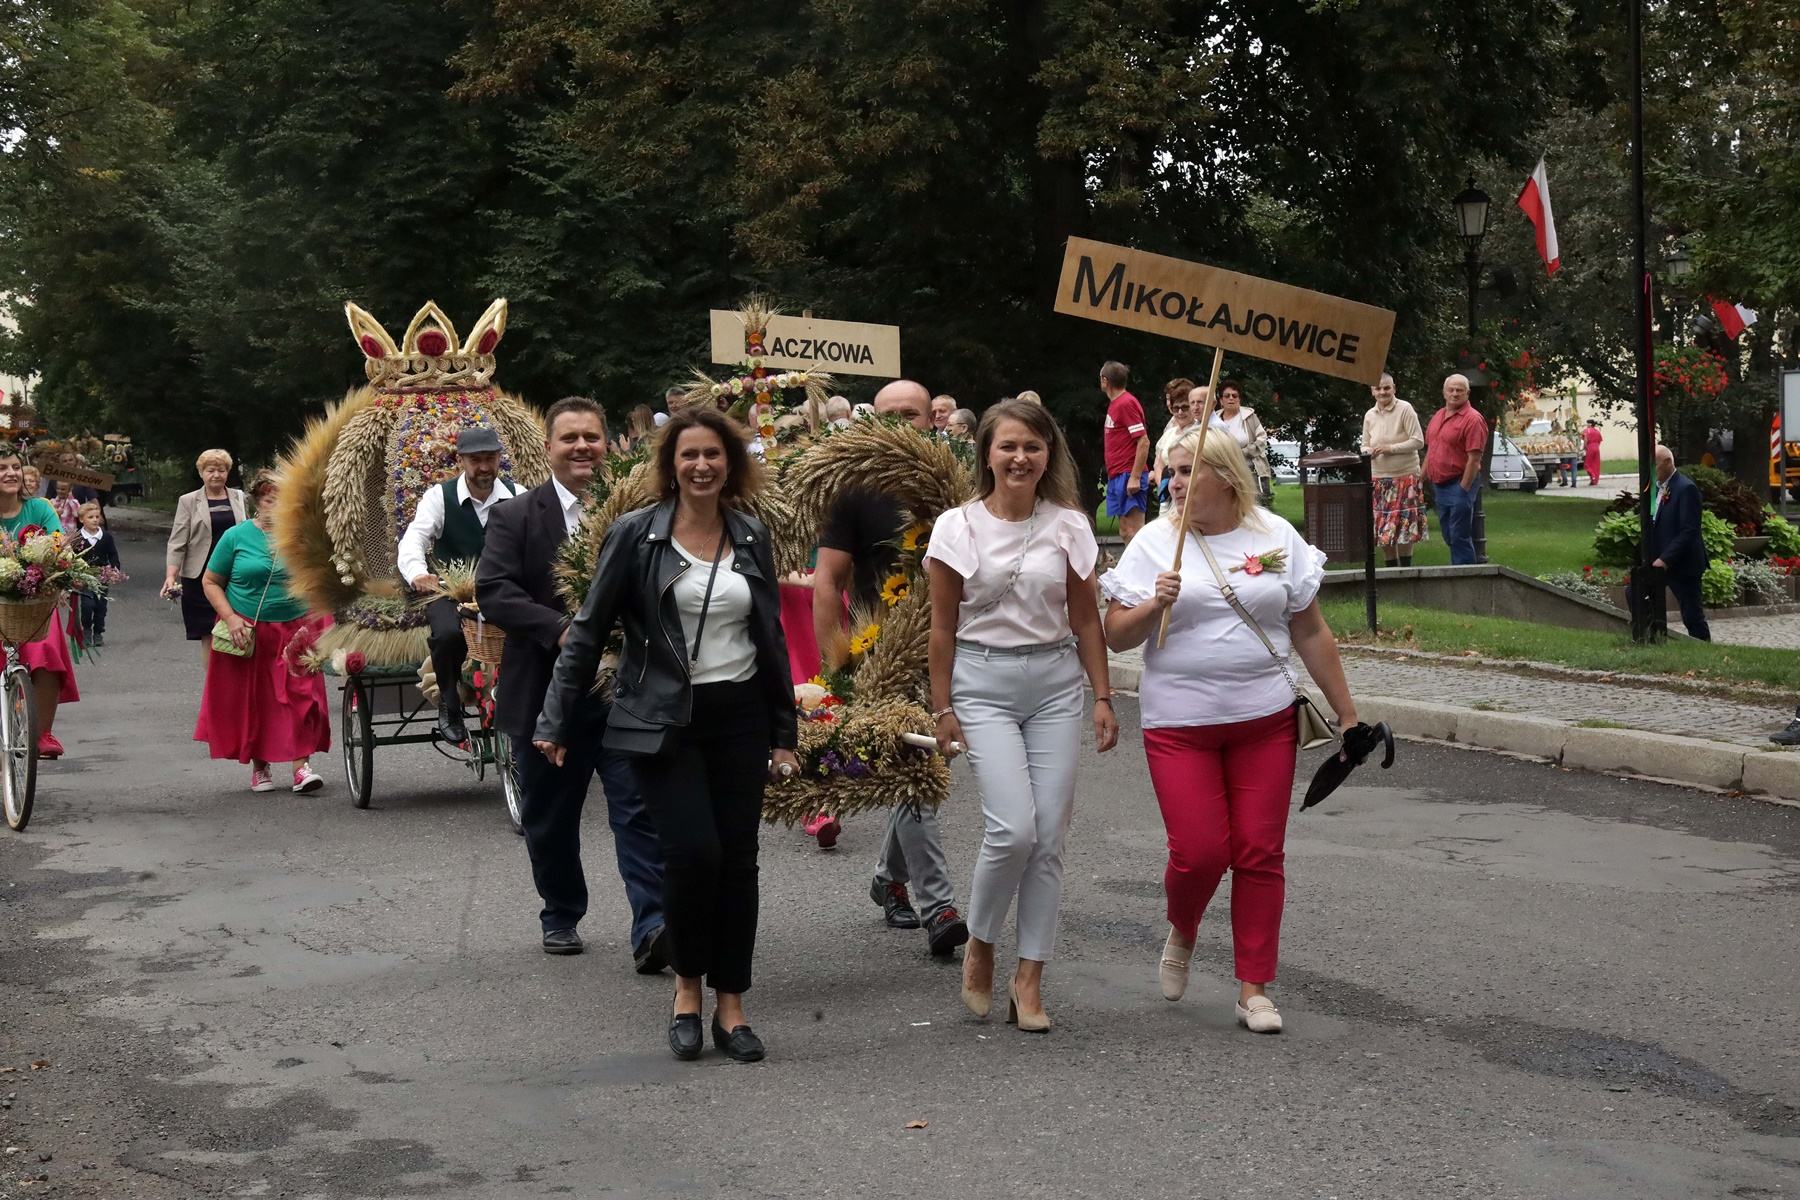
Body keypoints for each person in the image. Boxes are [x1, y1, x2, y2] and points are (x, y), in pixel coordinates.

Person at [536, 406, 798, 1063]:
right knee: (692, 855)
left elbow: (770, 637)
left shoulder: (752, 536)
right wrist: (556, 718)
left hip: (737, 717)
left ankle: (731, 1006)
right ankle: (686, 991)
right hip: (660, 720)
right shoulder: (636, 535)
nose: (702, 465)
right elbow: (590, 629)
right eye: (690, 456)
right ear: (671, 466)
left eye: (714, 455)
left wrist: (782, 732)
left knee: (738, 861)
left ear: (730, 465)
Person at [1100, 428, 1358, 1035]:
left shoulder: (1275, 536)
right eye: (1172, 470)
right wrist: (1150, 606)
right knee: (1199, 854)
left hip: (1264, 720)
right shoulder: (1154, 545)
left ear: (1225, 475)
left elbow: (1311, 631)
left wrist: (1347, 714)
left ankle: (1253, 989)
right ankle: (1184, 927)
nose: (1175, 482)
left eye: (1188, 470)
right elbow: (1115, 634)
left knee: (1260, 853)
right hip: (1179, 724)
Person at [925, 400, 1118, 1032]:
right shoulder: (957, 527)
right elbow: (942, 627)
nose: (1020, 458)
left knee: (1049, 840)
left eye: (1033, 447)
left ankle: (1029, 978)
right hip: (981, 685)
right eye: (1008, 446)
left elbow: (1086, 617)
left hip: (1055, 686)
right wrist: (943, 705)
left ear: (1048, 456)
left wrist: (1103, 697)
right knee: (1014, 829)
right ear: (987, 453)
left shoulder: (1069, 524)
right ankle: (980, 942)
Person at [474, 397, 666, 967]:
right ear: (549, 448)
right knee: (549, 817)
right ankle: (560, 911)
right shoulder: (515, 516)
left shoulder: (641, 512)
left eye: (592, 437)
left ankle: (652, 924)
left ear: (608, 445)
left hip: (627, 694)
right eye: (570, 438)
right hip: (545, 694)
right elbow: (495, 591)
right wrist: (565, 632)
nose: (582, 447)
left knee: (638, 808)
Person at [813, 379, 969, 958]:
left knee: (927, 767)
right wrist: (838, 666)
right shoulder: (856, 491)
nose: (902, 422)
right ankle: (939, 905)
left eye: (913, 413)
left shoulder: (957, 487)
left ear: (934, 418)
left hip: (957, 649)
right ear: (872, 423)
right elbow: (828, 581)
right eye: (890, 415)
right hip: (887, 653)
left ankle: (887, 876)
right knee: (915, 763)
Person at [194, 470, 329, 793]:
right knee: (254, 700)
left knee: (301, 696)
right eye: (271, 500)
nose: (278, 507)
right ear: (259, 502)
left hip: (295, 629)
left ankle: (301, 767)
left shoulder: (301, 536)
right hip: (248, 632)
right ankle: (260, 767)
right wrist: (229, 617)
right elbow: (210, 582)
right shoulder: (236, 537)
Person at [397, 426, 521, 743]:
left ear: (498, 459)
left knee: (534, 631)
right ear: (461, 461)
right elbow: (413, 539)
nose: (483, 467)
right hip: (452, 592)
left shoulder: (517, 495)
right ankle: (450, 707)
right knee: (449, 634)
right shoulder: (440, 497)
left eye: (489, 459)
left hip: (504, 590)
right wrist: (417, 573)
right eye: (475, 459)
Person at [0, 444, 80, 758]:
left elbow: (59, 547)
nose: (11, 473)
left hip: (32, 601)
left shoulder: (40, 508)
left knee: (46, 647)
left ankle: (42, 732)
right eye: (3, 468)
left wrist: (58, 568)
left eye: (15, 467)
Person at [164, 450, 247, 664]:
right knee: (210, 633)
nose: (216, 475)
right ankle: (214, 688)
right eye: (210, 470)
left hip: (234, 573)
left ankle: (236, 686)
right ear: (201, 473)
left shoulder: (239, 497)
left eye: (221, 470)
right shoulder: (188, 501)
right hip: (200, 576)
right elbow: (177, 541)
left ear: (228, 472)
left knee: (239, 629)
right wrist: (171, 576)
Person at [1359, 372, 1427, 567]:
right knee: (1384, 526)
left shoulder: (1405, 409)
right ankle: (1391, 569)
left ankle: (1406, 569)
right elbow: (1364, 443)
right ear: (1372, 391)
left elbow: (1418, 441)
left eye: (1386, 388)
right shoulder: (1369, 415)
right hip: (1379, 477)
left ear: (1394, 388)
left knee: (1406, 525)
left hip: (1405, 476)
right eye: (1378, 388)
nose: (1383, 392)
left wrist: (1391, 449)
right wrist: (1368, 451)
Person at [1424, 374, 1486, 566]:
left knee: (1459, 533)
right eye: (1451, 389)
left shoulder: (1473, 419)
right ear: (1444, 392)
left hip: (1459, 482)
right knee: (1449, 533)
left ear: (1467, 393)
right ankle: (1466, 568)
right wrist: (1420, 478)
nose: (1455, 393)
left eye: (1459, 390)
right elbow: (1431, 450)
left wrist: (1463, 489)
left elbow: (1474, 459)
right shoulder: (1438, 416)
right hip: (1439, 484)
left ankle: (1465, 576)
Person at [1651, 444, 1710, 641]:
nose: (1652, 470)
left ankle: (1704, 649)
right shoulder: (1658, 488)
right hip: (1660, 560)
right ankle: (1652, 637)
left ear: (1667, 462)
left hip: (1683, 563)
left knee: (1692, 615)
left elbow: (1689, 530)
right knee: (1635, 593)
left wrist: (1666, 559)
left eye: (1655, 465)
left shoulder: (1686, 489)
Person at [1100, 361, 1151, 543]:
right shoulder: (1115, 404)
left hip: (1129, 474)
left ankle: (1143, 571)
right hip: (1117, 475)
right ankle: (1131, 571)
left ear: (1105, 380)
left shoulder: (1126, 403)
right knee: (1124, 531)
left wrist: (1135, 476)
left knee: (1134, 532)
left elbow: (1143, 441)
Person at [1210, 379, 1274, 506]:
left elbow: (1262, 438)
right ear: (1221, 400)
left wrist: (1243, 452)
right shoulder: (1214, 420)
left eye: (1235, 396)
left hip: (1249, 471)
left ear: (1239, 399)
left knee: (1253, 508)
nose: (1231, 399)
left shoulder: (1249, 416)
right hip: (1223, 472)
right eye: (1227, 396)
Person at [74, 502, 120, 647]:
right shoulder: (76, 538)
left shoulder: (106, 537)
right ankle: (86, 629)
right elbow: (70, 558)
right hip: (84, 578)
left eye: (97, 517)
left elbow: (113, 555)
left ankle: (98, 632)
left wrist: (114, 570)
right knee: (87, 605)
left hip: (102, 577)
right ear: (82, 519)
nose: (95, 520)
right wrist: (74, 576)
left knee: (101, 606)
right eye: (90, 517)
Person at [1150, 378, 1197, 506]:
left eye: (1185, 407)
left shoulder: (1201, 432)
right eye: (1176, 408)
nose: (1180, 412)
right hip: (1168, 498)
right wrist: (1165, 489)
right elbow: (1159, 465)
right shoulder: (1169, 433)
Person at [1583, 419, 1604, 486]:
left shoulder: (1587, 430)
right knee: (1595, 465)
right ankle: (1594, 481)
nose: (1587, 425)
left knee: (1587, 464)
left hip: (1590, 447)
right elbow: (1600, 440)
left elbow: (1585, 439)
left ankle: (1592, 475)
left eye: (1587, 423)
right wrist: (1596, 446)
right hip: (1597, 447)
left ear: (1590, 424)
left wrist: (1585, 447)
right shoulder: (1597, 431)